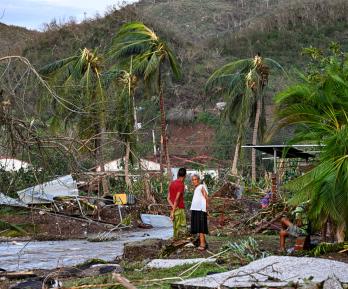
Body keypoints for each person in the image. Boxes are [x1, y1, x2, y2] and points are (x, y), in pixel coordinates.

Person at [190, 174, 209, 251]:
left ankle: (202, 245)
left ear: (198, 180)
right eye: (193, 180)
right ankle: (203, 243)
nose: (194, 181)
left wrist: (207, 208)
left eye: (195, 179)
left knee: (201, 227)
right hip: (196, 209)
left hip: (200, 210)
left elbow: (206, 197)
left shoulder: (201, 186)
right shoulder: (197, 188)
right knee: (198, 227)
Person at [167, 167, 187, 239]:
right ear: (185, 175)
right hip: (179, 209)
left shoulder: (172, 183)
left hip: (174, 209)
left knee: (175, 229)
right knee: (181, 229)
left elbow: (168, 198)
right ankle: (180, 245)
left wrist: (173, 208)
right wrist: (174, 210)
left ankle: (175, 243)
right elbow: (177, 199)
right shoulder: (181, 184)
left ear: (178, 174)